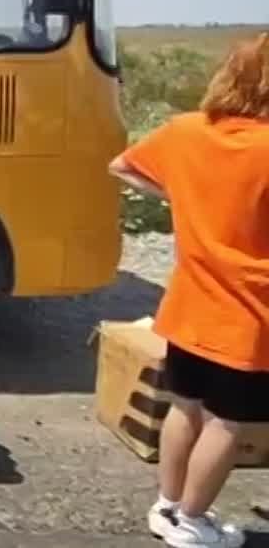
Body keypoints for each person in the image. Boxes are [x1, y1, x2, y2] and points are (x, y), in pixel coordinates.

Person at [109, 34, 269, 548]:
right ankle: (194, 523)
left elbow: (121, 166)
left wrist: (184, 201)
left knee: (186, 408)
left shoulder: (186, 132)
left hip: (189, 302)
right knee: (229, 423)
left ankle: (170, 506)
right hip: (249, 314)